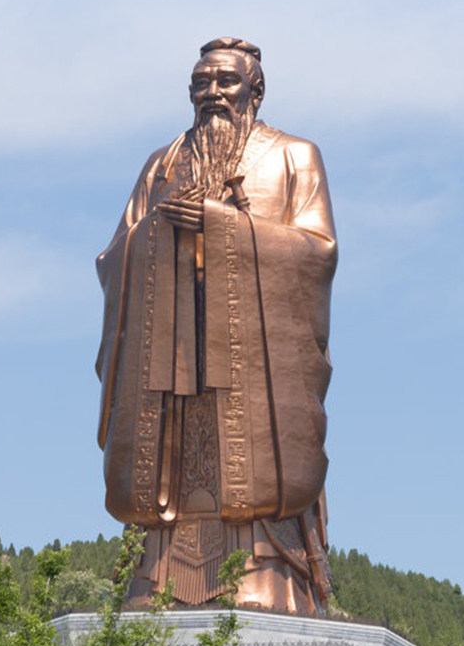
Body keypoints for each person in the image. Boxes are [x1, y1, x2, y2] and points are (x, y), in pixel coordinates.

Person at [95, 37, 337, 613]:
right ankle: (157, 576)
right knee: (169, 460)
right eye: (200, 83)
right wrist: (160, 233)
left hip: (250, 352)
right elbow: (114, 258)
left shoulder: (293, 156)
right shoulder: (161, 164)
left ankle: (261, 570)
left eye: (225, 82)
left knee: (245, 457)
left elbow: (317, 251)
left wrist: (223, 228)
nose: (211, 94)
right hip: (169, 343)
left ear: (254, 89)